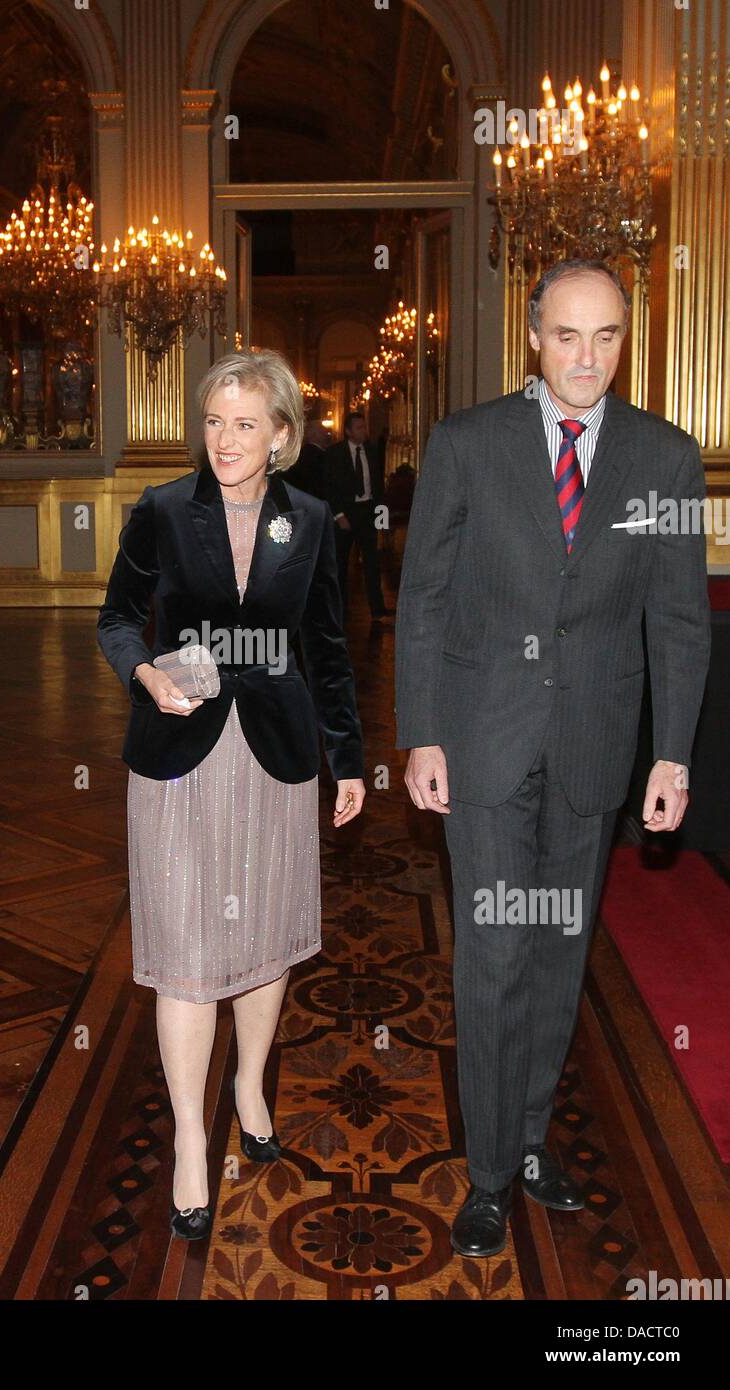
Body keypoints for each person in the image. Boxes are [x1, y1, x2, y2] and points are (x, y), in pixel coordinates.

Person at [395, 258, 710, 1259]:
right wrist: (420, 731)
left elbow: (678, 616)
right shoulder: (466, 443)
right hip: (482, 741)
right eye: (566, 335)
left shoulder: (664, 457)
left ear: (627, 339)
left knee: (558, 952)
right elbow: (424, 599)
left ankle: (529, 1136)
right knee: (492, 955)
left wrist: (671, 757)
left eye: (605, 336)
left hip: (592, 747)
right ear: (533, 336)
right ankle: (488, 1173)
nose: (585, 357)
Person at [97, 348, 366, 1241]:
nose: (224, 439)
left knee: (260, 933)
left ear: (282, 435)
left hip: (277, 752)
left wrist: (351, 760)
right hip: (180, 746)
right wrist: (143, 676)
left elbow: (328, 648)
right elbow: (115, 620)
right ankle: (186, 1138)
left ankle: (250, 1083)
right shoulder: (165, 511)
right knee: (182, 945)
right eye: (214, 420)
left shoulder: (314, 520)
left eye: (245, 423)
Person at [324, 411, 393, 620]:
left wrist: (383, 517)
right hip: (345, 513)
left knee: (372, 563)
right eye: (359, 428)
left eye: (364, 427)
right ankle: (340, 609)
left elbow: (378, 487)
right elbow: (329, 488)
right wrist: (339, 515)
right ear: (348, 431)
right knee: (341, 565)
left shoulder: (371, 452)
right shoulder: (335, 454)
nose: (364, 431)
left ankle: (377, 608)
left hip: (367, 512)